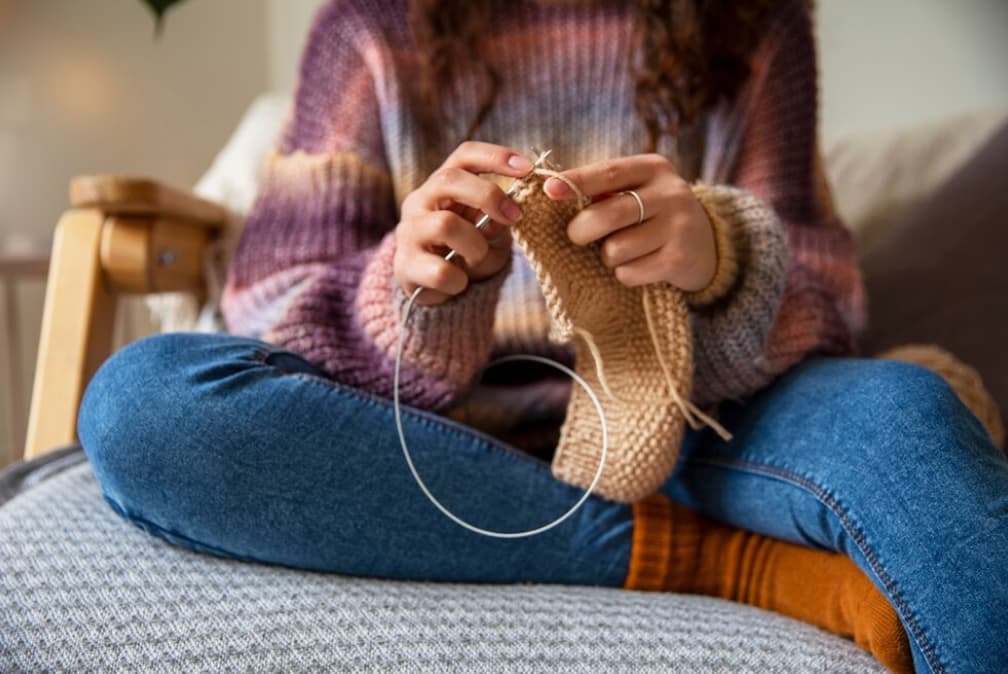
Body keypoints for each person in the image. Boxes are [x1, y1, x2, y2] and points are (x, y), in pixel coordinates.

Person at [78, 1, 1007, 672]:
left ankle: (668, 525)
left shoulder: (754, 24)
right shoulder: (366, 28)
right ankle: (706, 559)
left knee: (909, 415)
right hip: (428, 451)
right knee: (142, 405)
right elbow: (268, 304)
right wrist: (410, 288)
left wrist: (720, 257)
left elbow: (829, 301)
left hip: (702, 424)